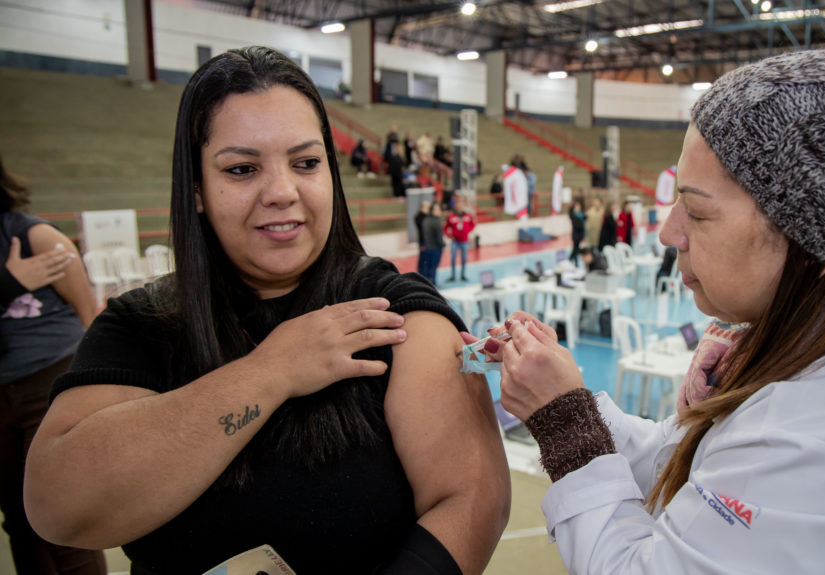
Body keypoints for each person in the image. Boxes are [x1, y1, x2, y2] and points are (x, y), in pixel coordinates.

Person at [468, 50, 825, 573]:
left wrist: (566, 424)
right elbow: (685, 461)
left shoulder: (822, 442)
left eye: (696, 211)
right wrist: (569, 398)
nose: (668, 232)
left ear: (809, 239)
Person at [23, 46, 509, 575]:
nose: (281, 191)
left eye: (305, 163)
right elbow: (58, 508)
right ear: (198, 191)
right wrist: (270, 371)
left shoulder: (395, 314)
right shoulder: (141, 325)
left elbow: (472, 498)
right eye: (242, 168)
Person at [0, 155, 106, 575]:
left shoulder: (34, 236)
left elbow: (88, 320)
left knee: (60, 518)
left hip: (46, 380)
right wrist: (8, 285)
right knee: (17, 519)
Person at [444, 195, 475, 282]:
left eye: (461, 204)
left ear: (463, 205)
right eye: (458, 204)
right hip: (455, 241)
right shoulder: (451, 216)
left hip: (465, 241)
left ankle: (463, 275)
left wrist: (467, 231)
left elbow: (473, 224)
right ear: (456, 205)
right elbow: (445, 227)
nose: (459, 205)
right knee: (453, 258)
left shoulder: (468, 215)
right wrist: (448, 234)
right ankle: (453, 276)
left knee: (464, 259)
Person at [420, 202, 445, 286]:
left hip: (428, 247)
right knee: (433, 267)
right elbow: (439, 237)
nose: (440, 211)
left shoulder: (425, 220)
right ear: (433, 210)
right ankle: (433, 284)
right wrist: (442, 245)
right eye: (438, 209)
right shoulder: (436, 221)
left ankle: (429, 284)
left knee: (428, 267)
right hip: (435, 248)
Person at [568, 199, 586, 266]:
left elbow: (584, 218)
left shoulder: (581, 214)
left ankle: (576, 263)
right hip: (576, 235)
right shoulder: (573, 215)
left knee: (576, 249)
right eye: (577, 206)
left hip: (579, 235)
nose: (578, 207)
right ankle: (569, 261)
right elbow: (578, 225)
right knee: (575, 249)